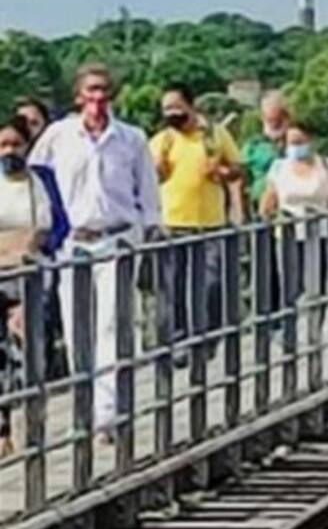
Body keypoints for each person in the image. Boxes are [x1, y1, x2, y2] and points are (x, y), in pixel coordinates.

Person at [29, 64, 161, 440]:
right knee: (77, 325)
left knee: (112, 324)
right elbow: (37, 181)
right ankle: (85, 405)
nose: (98, 98)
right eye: (91, 90)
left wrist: (150, 229)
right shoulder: (58, 136)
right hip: (74, 240)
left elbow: (147, 188)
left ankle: (108, 411)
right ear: (78, 96)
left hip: (118, 237)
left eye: (104, 90)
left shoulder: (131, 138)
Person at [148, 84, 242, 362]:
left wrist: (222, 171)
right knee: (173, 285)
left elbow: (238, 169)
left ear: (191, 107)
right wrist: (157, 170)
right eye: (166, 109)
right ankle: (178, 341)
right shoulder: (162, 140)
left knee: (211, 283)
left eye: (176, 107)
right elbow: (147, 177)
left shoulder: (214, 135)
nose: (171, 114)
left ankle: (208, 335)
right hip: (173, 222)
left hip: (210, 222)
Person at [0, 116, 67, 456]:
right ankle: (2, 430)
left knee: (27, 349)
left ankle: (32, 425)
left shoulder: (40, 181)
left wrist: (27, 246)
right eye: (3, 145)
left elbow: (52, 226)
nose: (9, 151)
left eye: (16, 144)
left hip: (30, 275)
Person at [259, 122, 328, 329]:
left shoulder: (326, 165)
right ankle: (289, 331)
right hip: (288, 235)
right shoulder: (279, 167)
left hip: (320, 234)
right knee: (290, 286)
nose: (295, 147)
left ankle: (314, 330)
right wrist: (268, 217)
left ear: (311, 141)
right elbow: (267, 202)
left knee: (318, 287)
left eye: (300, 142)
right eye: (291, 142)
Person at [242, 91, 289, 214]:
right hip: (260, 203)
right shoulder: (253, 145)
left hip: (289, 202)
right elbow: (242, 176)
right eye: (269, 119)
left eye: (278, 119)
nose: (273, 122)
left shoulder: (296, 141)